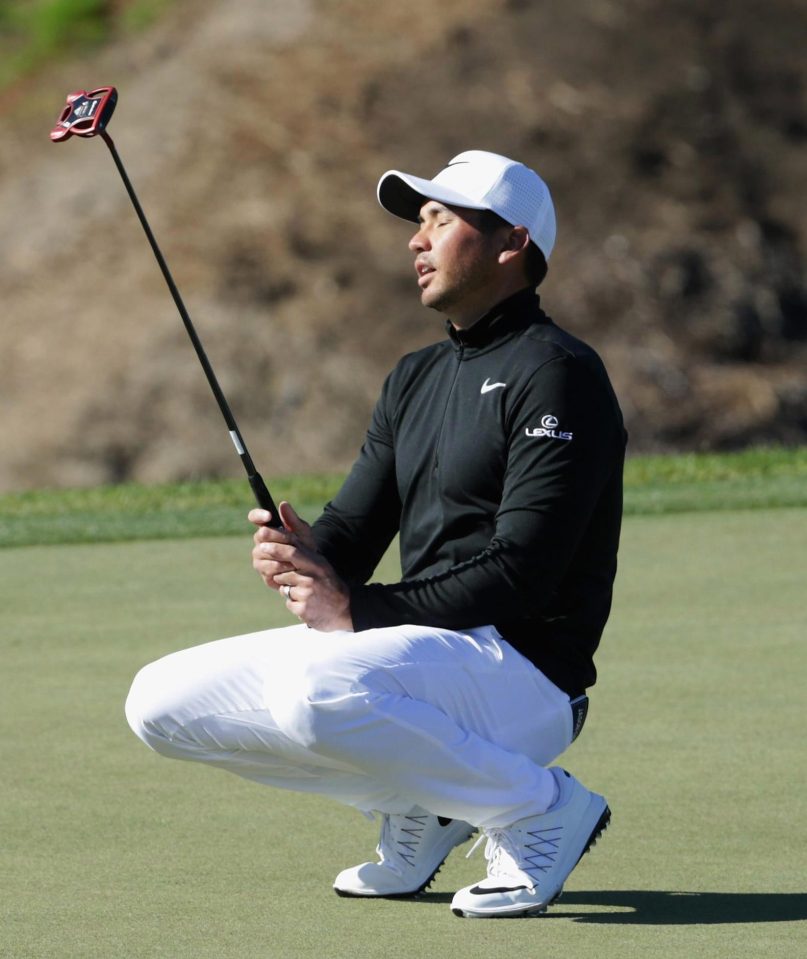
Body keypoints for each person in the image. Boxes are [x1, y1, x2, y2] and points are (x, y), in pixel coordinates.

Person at [125, 149, 627, 919]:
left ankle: (538, 804)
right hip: (425, 654)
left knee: (319, 689)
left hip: (525, 669)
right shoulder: (413, 377)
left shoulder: (557, 371)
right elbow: (351, 536)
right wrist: (305, 553)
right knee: (157, 701)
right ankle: (426, 802)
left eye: (440, 221)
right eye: (416, 224)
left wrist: (354, 609)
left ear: (510, 244)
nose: (414, 241)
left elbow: (522, 571)